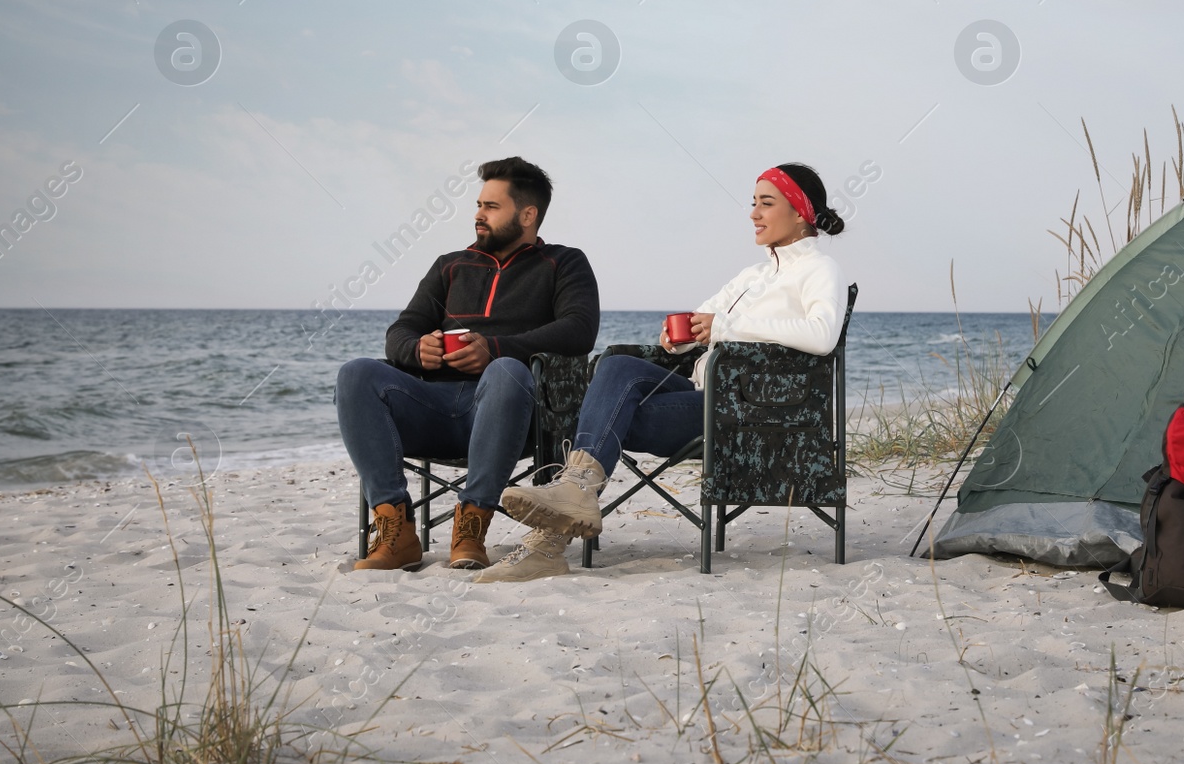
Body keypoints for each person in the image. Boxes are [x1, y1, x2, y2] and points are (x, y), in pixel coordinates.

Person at [477, 162, 847, 583]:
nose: (753, 214)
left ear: (800, 212)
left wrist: (724, 328)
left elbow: (821, 336)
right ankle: (573, 494)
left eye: (766, 203)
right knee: (616, 366)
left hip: (749, 413)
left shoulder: (820, 269)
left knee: (609, 417)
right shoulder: (753, 275)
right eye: (753, 203)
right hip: (704, 396)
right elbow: (703, 318)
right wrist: (684, 337)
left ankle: (549, 540)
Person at [338, 157, 599, 572]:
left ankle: (472, 527)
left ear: (527, 214)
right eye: (479, 204)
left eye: (491, 206)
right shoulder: (450, 265)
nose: (478, 214)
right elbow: (401, 331)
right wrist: (416, 349)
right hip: (434, 409)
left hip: (510, 413)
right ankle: (396, 527)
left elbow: (579, 329)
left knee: (506, 370)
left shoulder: (564, 263)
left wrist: (495, 348)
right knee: (356, 373)